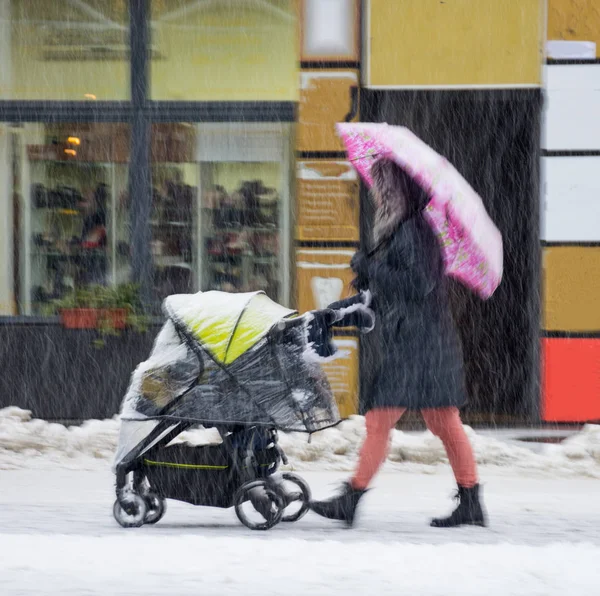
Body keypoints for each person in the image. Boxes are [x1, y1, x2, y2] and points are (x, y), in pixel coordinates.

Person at [309, 157, 487, 529]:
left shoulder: (412, 230)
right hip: (424, 340)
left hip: (418, 343)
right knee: (442, 421)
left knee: (381, 419)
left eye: (382, 186)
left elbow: (417, 284)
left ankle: (352, 498)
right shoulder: (402, 229)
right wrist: (360, 289)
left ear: (398, 190)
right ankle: (470, 500)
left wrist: (371, 267)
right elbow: (396, 288)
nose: (377, 194)